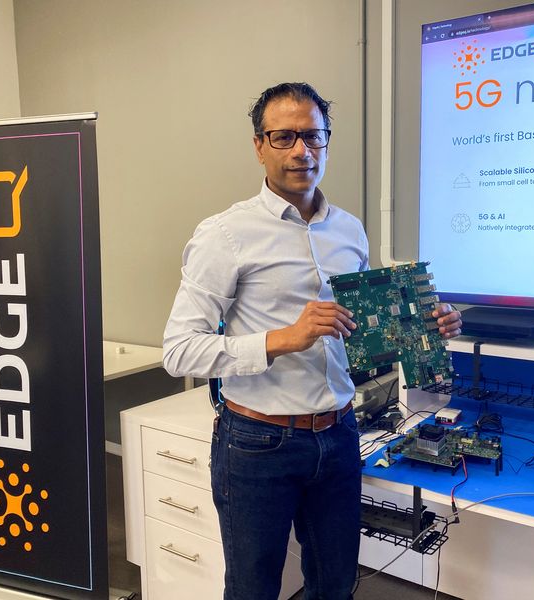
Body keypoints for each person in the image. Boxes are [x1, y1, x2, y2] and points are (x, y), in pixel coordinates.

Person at [163, 82, 462, 600]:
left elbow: (364, 334)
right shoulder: (224, 234)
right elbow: (179, 350)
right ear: (259, 145)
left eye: (314, 136)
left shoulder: (349, 230)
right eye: (284, 137)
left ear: (327, 141)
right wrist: (284, 338)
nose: (302, 150)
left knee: (334, 585)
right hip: (258, 444)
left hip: (340, 435)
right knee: (253, 589)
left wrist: (422, 328)